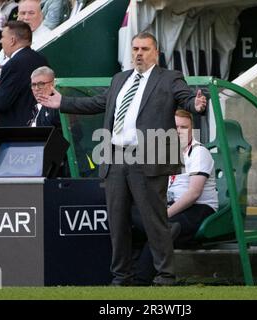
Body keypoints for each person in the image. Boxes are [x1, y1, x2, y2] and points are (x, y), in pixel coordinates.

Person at [38, 32, 207, 286]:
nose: (139, 53)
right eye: (135, 48)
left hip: (149, 156)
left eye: (145, 49)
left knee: (155, 220)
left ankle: (165, 277)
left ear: (156, 52)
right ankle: (121, 277)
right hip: (116, 156)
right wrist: (63, 102)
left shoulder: (169, 78)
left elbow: (186, 98)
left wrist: (197, 105)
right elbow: (97, 103)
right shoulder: (120, 79)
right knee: (117, 222)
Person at [132, 109, 218, 285]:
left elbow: (194, 193)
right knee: (130, 213)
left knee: (159, 229)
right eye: (175, 127)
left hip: (200, 208)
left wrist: (164, 214)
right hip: (171, 206)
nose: (179, 131)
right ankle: (166, 228)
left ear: (191, 129)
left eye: (184, 127)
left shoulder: (198, 152)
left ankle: (139, 281)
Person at [0, 20, 48, 127]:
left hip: (19, 133)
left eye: (2, 36)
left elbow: (1, 103)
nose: (0, 41)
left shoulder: (13, 65)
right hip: (40, 124)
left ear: (12, 40)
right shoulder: (40, 59)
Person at [0, 0, 50, 78]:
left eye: (31, 13)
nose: (26, 18)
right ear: (18, 16)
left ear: (41, 16)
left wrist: (5, 68)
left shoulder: (47, 36)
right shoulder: (12, 35)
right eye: (23, 13)